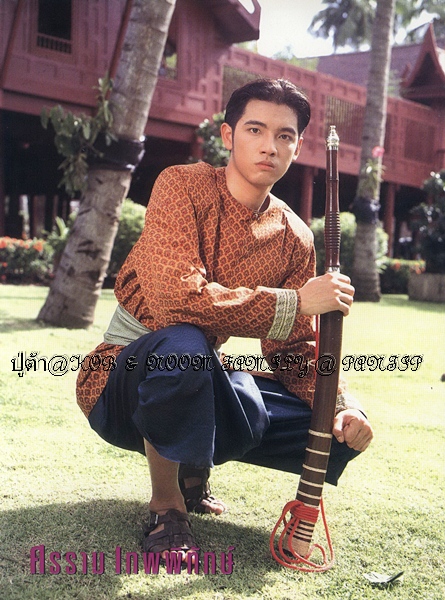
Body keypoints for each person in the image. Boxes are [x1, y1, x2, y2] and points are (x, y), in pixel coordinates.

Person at [76, 78, 373, 562]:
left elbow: (293, 351)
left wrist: (341, 405)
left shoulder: (296, 237)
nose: (269, 146)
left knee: (330, 427)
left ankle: (194, 469)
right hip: (121, 379)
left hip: (198, 375)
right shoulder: (181, 185)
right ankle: (168, 507)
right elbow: (175, 302)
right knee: (183, 345)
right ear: (228, 135)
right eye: (255, 130)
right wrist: (296, 301)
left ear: (297, 147)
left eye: (284, 135)